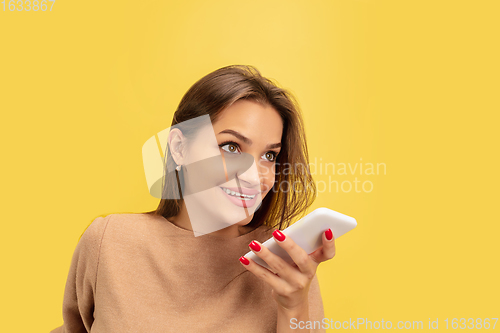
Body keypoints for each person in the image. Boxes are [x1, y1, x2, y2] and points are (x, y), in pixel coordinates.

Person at [51, 65, 335, 333]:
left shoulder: (284, 264)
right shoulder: (111, 242)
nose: (253, 176)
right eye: (232, 147)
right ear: (179, 147)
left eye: (269, 156)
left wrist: (294, 306)